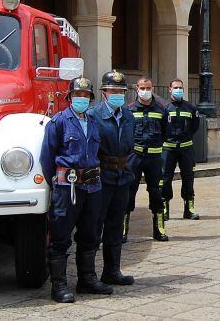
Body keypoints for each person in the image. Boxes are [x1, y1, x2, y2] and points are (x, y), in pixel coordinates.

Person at [40, 77, 112, 303]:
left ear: (90, 98)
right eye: (77, 95)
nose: (81, 98)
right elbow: (47, 157)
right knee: (61, 236)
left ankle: (87, 279)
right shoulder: (59, 122)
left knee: (90, 234)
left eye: (85, 95)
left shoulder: (92, 122)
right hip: (67, 187)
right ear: (70, 97)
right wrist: (57, 184)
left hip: (92, 187)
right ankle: (59, 285)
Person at [89, 69, 136, 285]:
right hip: (102, 177)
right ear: (104, 92)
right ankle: (88, 275)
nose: (118, 94)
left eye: (121, 90)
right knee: (94, 225)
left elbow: (131, 146)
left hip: (122, 177)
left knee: (116, 225)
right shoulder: (93, 115)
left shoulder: (128, 116)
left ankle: (112, 271)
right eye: (113, 90)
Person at [126, 77, 170, 241]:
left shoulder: (161, 110)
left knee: (157, 192)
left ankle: (159, 228)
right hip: (134, 156)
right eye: (143, 87)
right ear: (137, 89)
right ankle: (124, 228)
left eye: (148, 87)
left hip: (154, 157)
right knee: (129, 191)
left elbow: (166, 132)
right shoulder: (128, 109)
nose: (146, 91)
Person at [162, 79, 200, 221]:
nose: (179, 90)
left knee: (188, 178)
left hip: (186, 148)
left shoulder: (190, 107)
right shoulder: (164, 107)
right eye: (176, 87)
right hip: (168, 148)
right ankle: (164, 207)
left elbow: (195, 126)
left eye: (181, 88)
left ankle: (189, 208)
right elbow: (161, 127)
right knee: (165, 178)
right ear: (170, 89)